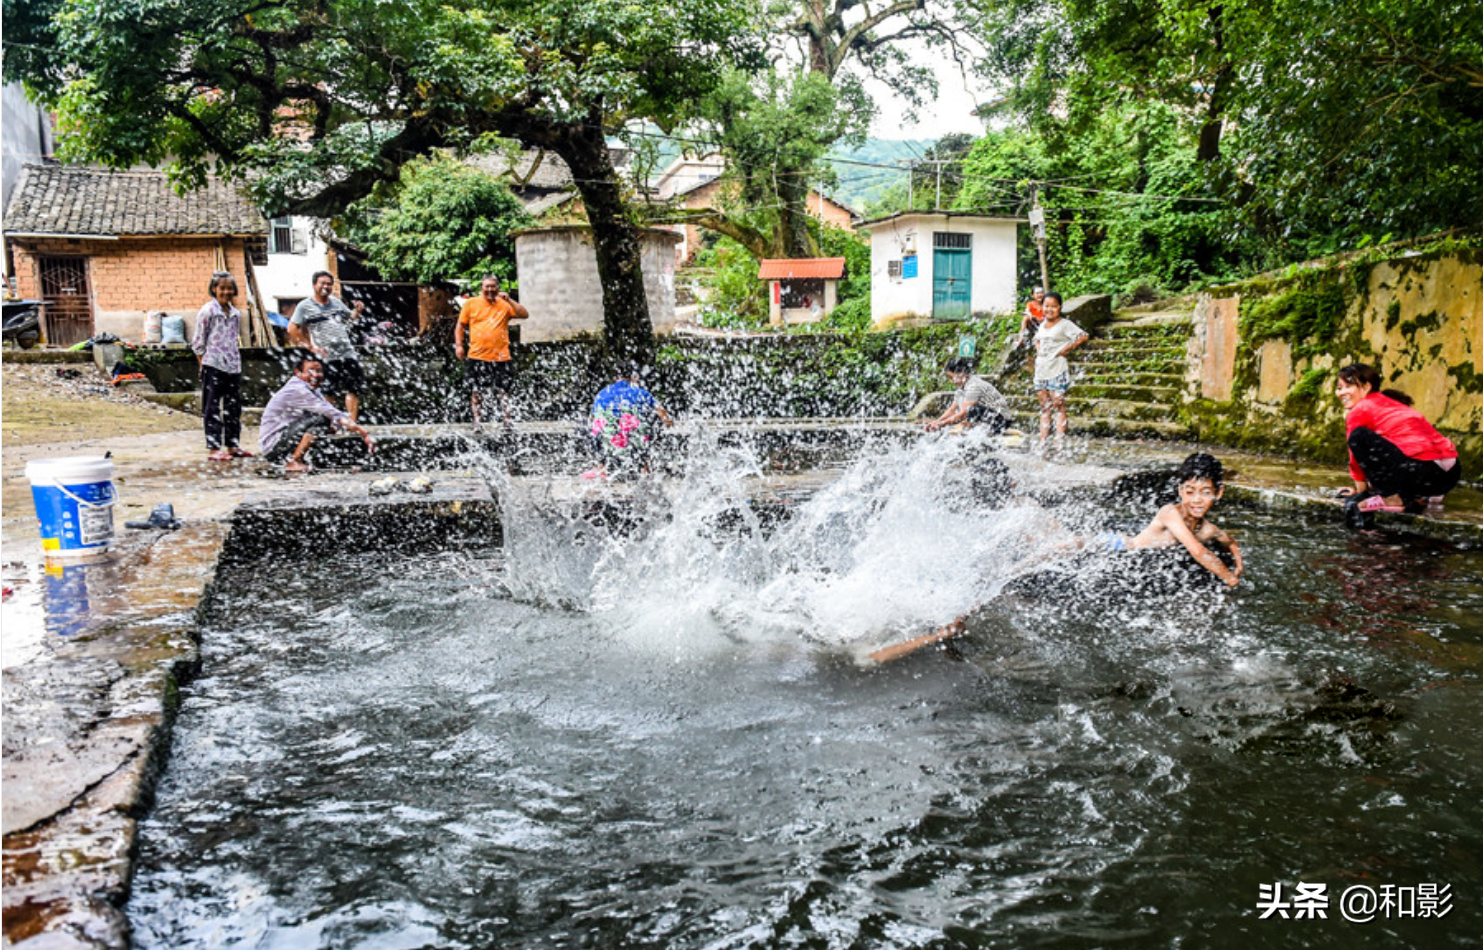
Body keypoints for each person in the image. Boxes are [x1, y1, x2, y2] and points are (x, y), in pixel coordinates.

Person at [1334, 362, 1460, 522]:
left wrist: (1361, 492)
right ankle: (1419, 496)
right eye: (1339, 387)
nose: (1341, 393)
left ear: (1366, 387)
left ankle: (1392, 498)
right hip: (1450, 475)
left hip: (1423, 473)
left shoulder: (1360, 409)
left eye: (1348, 386)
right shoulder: (1391, 402)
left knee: (1358, 437)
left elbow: (1356, 457)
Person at [1102, 452, 1243, 587]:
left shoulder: (1208, 529)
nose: (1197, 500)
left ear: (1218, 492)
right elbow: (1198, 551)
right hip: (1120, 548)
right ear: (1181, 491)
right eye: (1189, 492)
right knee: (1083, 543)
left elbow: (1231, 542)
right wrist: (1231, 579)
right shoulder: (1169, 512)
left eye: (1205, 492)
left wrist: (1239, 566)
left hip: (1148, 561)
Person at [259, 355, 375, 473]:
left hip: (285, 439)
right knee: (322, 420)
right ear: (298, 372)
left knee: (328, 424)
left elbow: (332, 412)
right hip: (274, 448)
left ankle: (302, 458)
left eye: (319, 371)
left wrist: (339, 425)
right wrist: (364, 434)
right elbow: (330, 412)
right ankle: (293, 461)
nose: (315, 375)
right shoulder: (297, 390)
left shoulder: (311, 388)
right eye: (310, 371)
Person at [289, 271, 367, 422]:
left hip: (347, 352)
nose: (326, 286)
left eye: (329, 284)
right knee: (327, 391)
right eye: (322, 283)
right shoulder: (305, 306)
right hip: (326, 356)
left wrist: (357, 311)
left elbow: (349, 321)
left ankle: (351, 423)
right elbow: (292, 329)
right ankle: (328, 425)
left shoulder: (336, 302)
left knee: (353, 389)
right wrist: (310, 347)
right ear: (314, 285)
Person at [455, 275, 530, 426]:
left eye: (493, 286)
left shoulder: (504, 304)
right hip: (477, 355)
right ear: (481, 288)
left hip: (501, 356)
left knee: (504, 390)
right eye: (487, 286)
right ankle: (477, 421)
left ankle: (507, 420)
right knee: (477, 390)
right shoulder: (471, 303)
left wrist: (509, 300)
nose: (490, 289)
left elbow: (524, 314)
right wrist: (459, 345)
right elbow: (460, 326)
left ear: (497, 288)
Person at [192, 271, 250, 461]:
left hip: (232, 365)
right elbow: (199, 341)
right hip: (213, 364)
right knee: (212, 407)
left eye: (229, 288)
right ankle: (214, 449)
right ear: (214, 289)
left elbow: (234, 339)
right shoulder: (208, 311)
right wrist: (204, 365)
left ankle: (233, 445)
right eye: (222, 288)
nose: (226, 291)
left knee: (233, 407)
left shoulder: (235, 313)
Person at [587, 365, 674, 478]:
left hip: (607, 441)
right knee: (650, 421)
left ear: (614, 378)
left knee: (594, 427)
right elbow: (663, 415)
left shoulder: (602, 393)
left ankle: (601, 467)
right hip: (635, 440)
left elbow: (592, 419)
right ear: (632, 378)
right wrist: (668, 424)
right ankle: (644, 467)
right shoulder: (641, 393)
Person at [1031, 292, 1088, 447]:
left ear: (1060, 307)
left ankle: (1059, 441)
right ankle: (1043, 441)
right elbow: (1036, 339)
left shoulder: (1064, 324)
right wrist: (1039, 350)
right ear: (1042, 307)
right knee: (1044, 407)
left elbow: (1083, 336)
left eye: (1054, 306)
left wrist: (1067, 348)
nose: (1050, 309)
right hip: (1041, 370)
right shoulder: (1042, 324)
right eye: (1047, 306)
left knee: (1058, 406)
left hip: (1057, 369)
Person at [925, 357, 1011, 434]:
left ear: (962, 373)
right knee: (970, 410)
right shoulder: (961, 388)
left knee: (972, 410)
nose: (951, 381)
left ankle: (969, 429)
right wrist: (936, 421)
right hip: (988, 418)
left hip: (1001, 421)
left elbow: (963, 414)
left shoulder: (973, 386)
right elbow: (952, 410)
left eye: (951, 377)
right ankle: (970, 429)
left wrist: (941, 424)